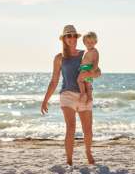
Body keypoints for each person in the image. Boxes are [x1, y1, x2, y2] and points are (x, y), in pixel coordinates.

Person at [41, 25, 101, 165]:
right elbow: (54, 80)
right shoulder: (59, 58)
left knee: (88, 129)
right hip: (67, 95)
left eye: (74, 35)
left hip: (84, 94)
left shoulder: (84, 54)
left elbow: (98, 72)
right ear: (64, 39)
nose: (72, 38)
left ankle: (88, 152)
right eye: (69, 36)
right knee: (71, 127)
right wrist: (45, 100)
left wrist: (90, 73)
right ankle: (69, 160)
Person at [78, 31, 100, 103]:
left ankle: (83, 93)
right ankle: (88, 96)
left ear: (95, 42)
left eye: (92, 42)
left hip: (88, 68)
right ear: (84, 42)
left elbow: (96, 62)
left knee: (81, 81)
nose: (90, 44)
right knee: (86, 83)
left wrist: (93, 70)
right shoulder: (86, 51)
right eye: (88, 42)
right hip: (85, 68)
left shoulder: (94, 51)